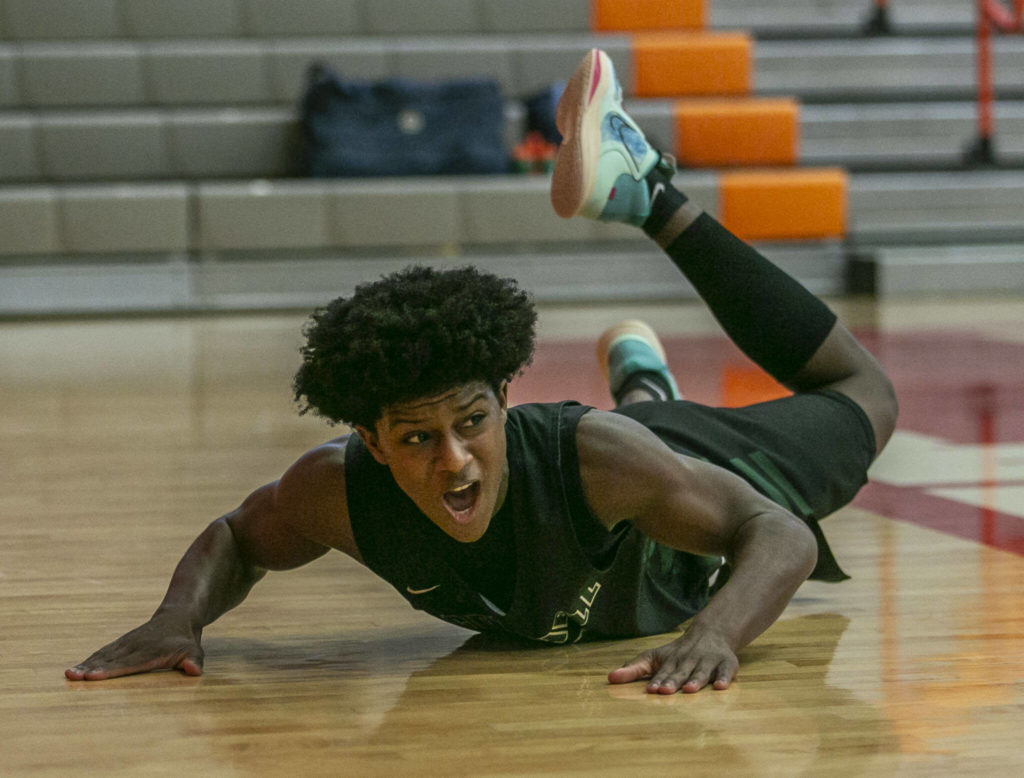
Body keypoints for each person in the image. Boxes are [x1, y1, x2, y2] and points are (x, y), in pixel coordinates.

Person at [65, 50, 897, 694]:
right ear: (374, 442)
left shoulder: (594, 460)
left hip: (663, 464)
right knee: (643, 442)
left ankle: (652, 200)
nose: (453, 459)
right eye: (417, 437)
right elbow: (240, 539)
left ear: (505, 401)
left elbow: (779, 534)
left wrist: (715, 634)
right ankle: (643, 377)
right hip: (640, 475)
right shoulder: (339, 493)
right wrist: (180, 617)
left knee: (868, 398)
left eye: (470, 423)